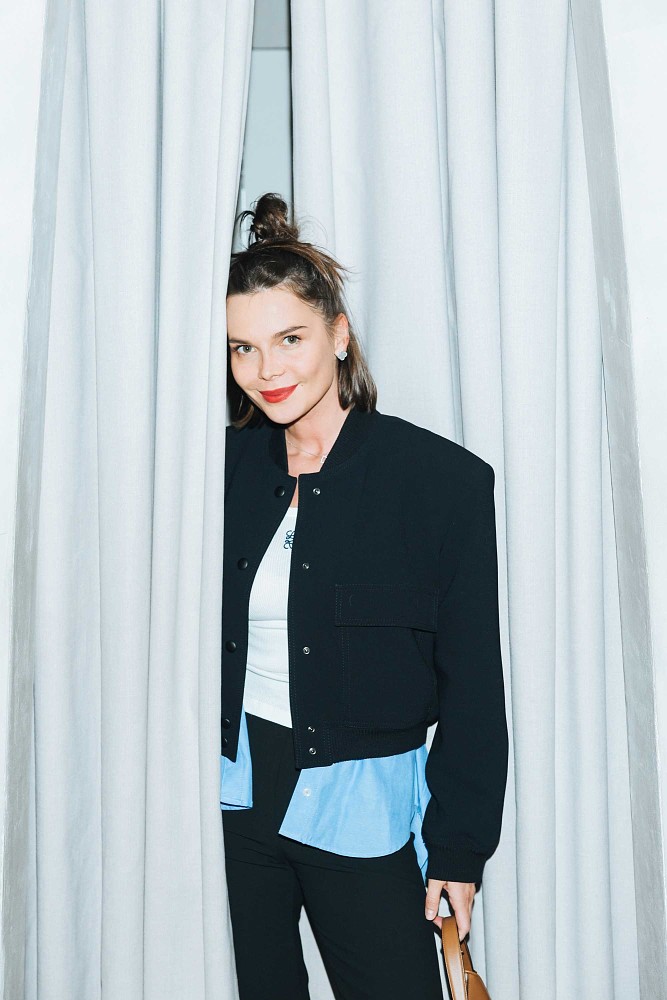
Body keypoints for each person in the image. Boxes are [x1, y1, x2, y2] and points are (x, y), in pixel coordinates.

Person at [220, 193, 509, 1000]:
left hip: (361, 807)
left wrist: (458, 849)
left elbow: (472, 683)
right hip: (233, 797)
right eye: (243, 348)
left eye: (289, 339)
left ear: (338, 335)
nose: (266, 370)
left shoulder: (441, 483)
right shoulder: (220, 472)